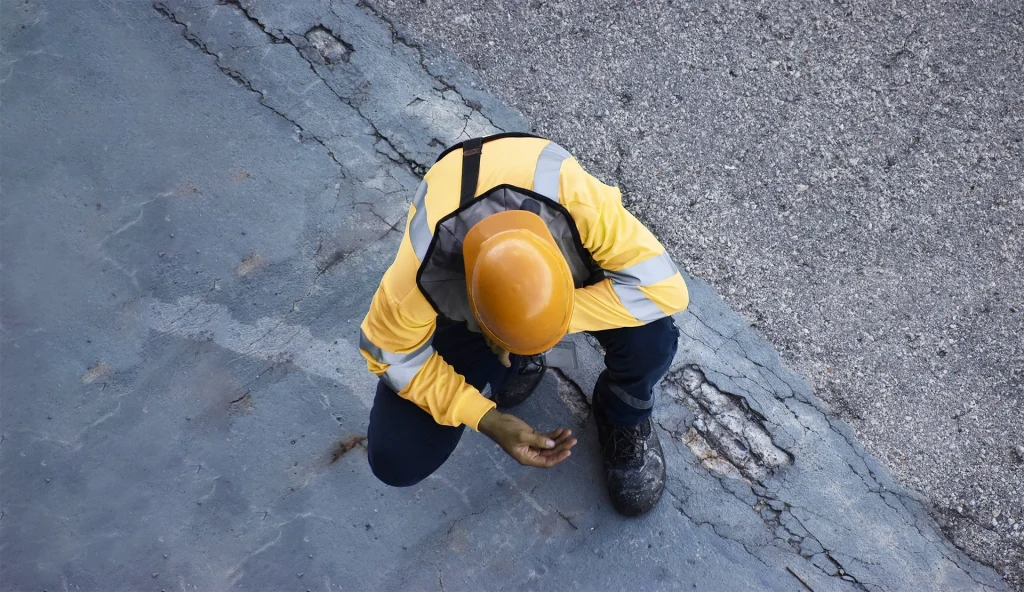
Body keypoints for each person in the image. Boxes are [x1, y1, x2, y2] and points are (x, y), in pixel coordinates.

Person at [359, 133, 689, 516]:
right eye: (506, 335)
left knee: (651, 338)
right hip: (470, 303)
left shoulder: (579, 204)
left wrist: (549, 319)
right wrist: (485, 417)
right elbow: (389, 354)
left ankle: (621, 411)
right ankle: (509, 354)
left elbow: (667, 289)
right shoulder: (418, 276)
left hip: (560, 270)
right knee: (398, 458)